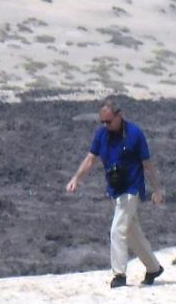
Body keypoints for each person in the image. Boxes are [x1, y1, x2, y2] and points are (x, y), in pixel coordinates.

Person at [66, 96, 165, 288]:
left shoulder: (135, 134)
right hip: (115, 190)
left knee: (117, 230)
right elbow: (89, 160)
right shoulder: (101, 135)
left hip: (132, 189)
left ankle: (119, 274)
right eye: (102, 122)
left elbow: (148, 165)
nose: (106, 125)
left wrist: (157, 190)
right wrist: (76, 179)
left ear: (120, 115)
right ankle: (154, 268)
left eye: (109, 121)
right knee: (131, 232)